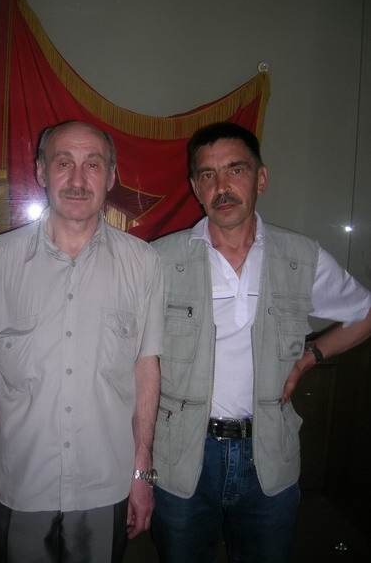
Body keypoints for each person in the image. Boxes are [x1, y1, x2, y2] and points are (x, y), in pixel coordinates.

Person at [150, 122, 371, 563]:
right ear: (195, 187)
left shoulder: (301, 257)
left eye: (236, 170)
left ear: (261, 178)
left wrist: (309, 357)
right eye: (208, 174)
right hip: (181, 455)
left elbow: (364, 313)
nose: (222, 187)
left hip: (268, 454)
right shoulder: (158, 260)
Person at [0, 120, 164, 563]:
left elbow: (146, 370)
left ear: (111, 176)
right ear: (41, 172)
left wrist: (142, 472)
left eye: (93, 165)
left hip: (105, 485)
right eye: (64, 163)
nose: (78, 179)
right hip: (17, 484)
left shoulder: (143, 264)